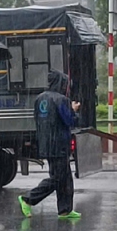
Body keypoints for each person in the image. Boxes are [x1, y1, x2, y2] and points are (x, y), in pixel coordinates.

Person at [18, 71, 82, 220]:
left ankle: (65, 210)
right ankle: (28, 199)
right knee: (58, 178)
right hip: (59, 144)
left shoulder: (40, 98)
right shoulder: (61, 100)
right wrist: (74, 111)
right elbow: (69, 121)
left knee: (65, 177)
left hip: (46, 144)